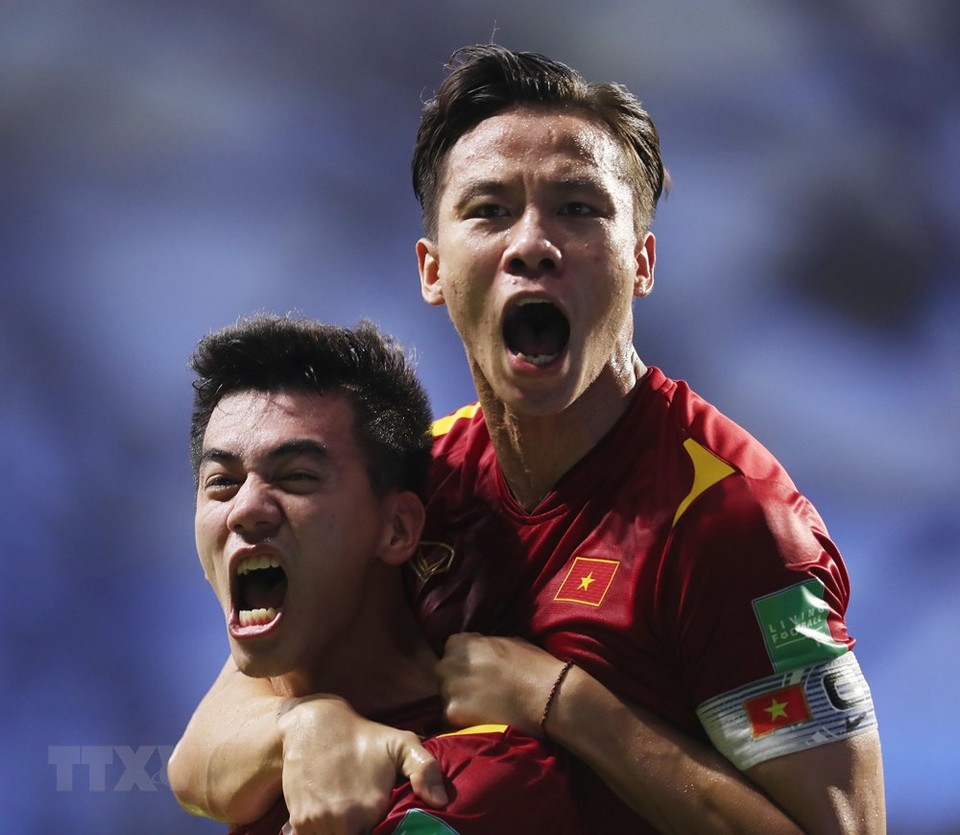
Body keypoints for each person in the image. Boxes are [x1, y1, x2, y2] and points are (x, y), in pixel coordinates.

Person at [170, 45, 885, 833]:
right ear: (432, 270)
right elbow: (202, 757)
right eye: (489, 209)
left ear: (641, 262)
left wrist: (571, 706)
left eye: (579, 208)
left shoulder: (733, 525)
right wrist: (299, 726)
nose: (532, 242)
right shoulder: (422, 477)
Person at [182, 313, 597, 834]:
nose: (244, 509)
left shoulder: (475, 781)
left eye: (298, 477)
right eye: (221, 483)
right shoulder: (265, 739)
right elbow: (187, 767)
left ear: (398, 529)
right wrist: (305, 724)